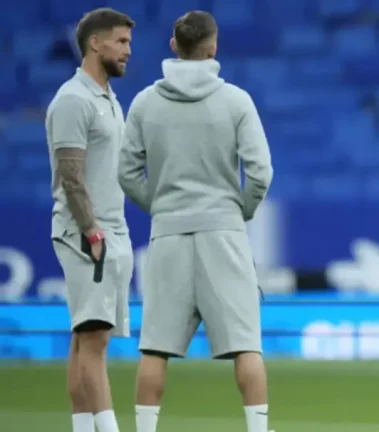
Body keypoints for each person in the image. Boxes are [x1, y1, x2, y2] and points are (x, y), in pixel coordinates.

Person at [117, 11, 274, 432]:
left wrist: (163, 208)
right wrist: (238, 210)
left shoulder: (145, 102)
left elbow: (127, 172)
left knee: (155, 347)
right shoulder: (236, 100)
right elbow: (260, 172)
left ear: (174, 46)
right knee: (245, 344)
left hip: (167, 235)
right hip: (223, 232)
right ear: (214, 48)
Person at [45, 8, 135, 432]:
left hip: (108, 231)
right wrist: (91, 230)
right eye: (121, 41)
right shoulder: (73, 100)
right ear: (95, 43)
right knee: (96, 338)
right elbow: (70, 173)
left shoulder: (107, 99)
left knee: (84, 338)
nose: (127, 51)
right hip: (88, 233)